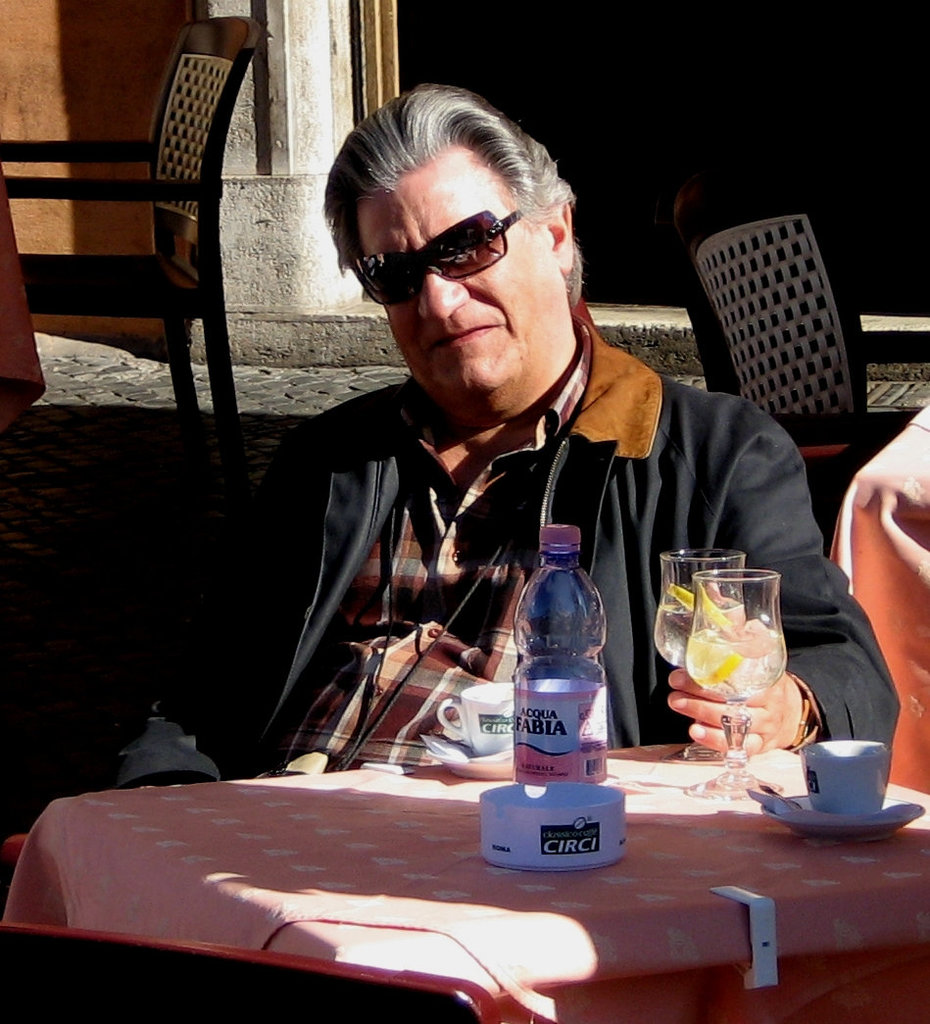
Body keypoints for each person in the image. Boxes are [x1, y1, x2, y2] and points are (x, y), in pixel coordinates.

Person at [118, 84, 896, 785]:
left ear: (556, 235)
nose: (440, 303)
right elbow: (196, 704)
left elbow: (847, 668)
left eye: (466, 245)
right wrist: (150, 817)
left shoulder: (711, 455)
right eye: (394, 274)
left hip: (536, 860)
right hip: (286, 842)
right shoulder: (330, 462)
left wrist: (786, 708)